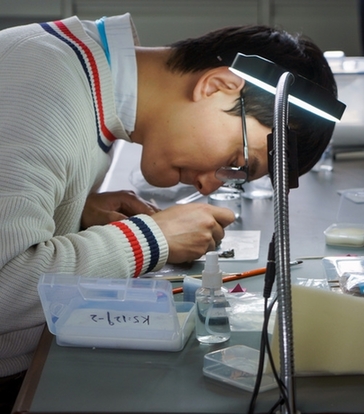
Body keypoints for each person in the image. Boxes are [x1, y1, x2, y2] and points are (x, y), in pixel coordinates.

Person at [0, 13, 337, 410]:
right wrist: (149, 239)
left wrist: (73, 211)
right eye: (237, 162)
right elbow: (5, 289)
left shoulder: (86, 83)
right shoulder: (44, 85)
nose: (209, 186)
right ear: (218, 86)